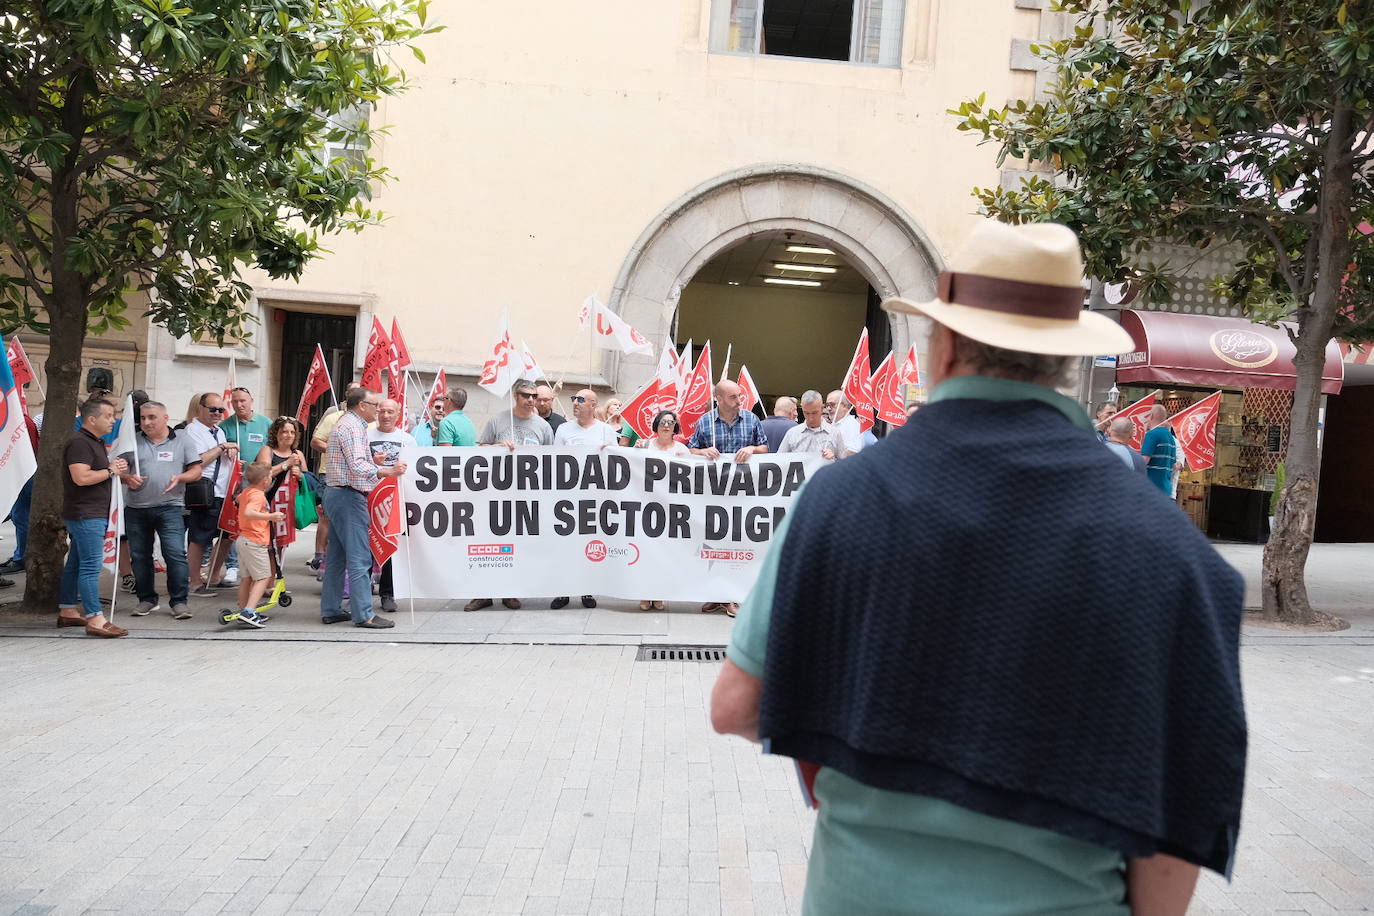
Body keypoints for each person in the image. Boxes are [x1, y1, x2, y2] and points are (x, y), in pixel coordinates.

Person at [710, 219, 1247, 915]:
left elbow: (735, 706)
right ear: (1067, 361)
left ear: (945, 348)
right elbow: (1181, 808)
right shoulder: (1173, 555)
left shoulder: (836, 502)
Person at [320, 387, 407, 629]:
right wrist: (385, 470)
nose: (377, 409)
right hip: (348, 496)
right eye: (374, 405)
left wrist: (372, 461)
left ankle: (331, 609)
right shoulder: (352, 427)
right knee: (359, 558)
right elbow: (356, 465)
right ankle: (364, 614)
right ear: (361, 406)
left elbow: (351, 461)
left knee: (337, 558)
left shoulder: (349, 425)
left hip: (338, 494)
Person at [465, 381, 550, 611]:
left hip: (526, 494)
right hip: (495, 492)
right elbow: (480, 448)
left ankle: (511, 591)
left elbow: (552, 461)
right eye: (526, 395)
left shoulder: (543, 427)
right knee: (489, 543)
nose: (531, 400)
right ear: (515, 396)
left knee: (517, 545)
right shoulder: (497, 420)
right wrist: (498, 446)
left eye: (534, 395)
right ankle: (483, 594)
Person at [688, 379, 767, 618]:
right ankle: (716, 595)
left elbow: (765, 448)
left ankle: (732, 597)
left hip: (743, 496)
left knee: (736, 545)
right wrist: (703, 452)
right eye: (733, 397)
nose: (739, 401)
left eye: (740, 396)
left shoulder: (752, 420)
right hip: (714, 495)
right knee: (714, 545)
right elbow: (691, 449)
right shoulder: (705, 422)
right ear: (719, 399)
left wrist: (752, 449)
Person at [117, 400, 202, 620]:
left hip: (170, 507)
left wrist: (181, 477)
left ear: (165, 418)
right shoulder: (131, 442)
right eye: (143, 418)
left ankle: (179, 602)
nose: (146, 422)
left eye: (152, 417)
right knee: (140, 556)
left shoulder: (183, 440)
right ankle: (146, 599)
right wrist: (126, 477)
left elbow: (196, 470)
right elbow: (116, 470)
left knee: (174, 554)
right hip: (136, 508)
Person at [56, 397, 130, 637]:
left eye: (114, 415)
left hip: (88, 512)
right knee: (90, 566)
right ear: (91, 419)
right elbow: (81, 478)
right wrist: (110, 471)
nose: (113, 420)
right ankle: (95, 618)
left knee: (77, 563)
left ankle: (68, 610)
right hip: (86, 513)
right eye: (108, 416)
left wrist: (113, 471)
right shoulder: (80, 443)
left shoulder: (92, 442)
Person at [550, 389, 617, 611]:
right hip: (567, 499)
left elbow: (617, 464)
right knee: (565, 546)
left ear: (593, 405)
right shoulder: (563, 429)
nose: (575, 403)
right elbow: (554, 462)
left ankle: (587, 589)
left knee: (588, 545)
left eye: (580, 400)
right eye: (573, 399)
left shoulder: (606, 431)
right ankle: (562, 591)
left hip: (594, 499)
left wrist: (610, 453)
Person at [182, 392, 239, 594]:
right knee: (200, 538)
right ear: (200, 408)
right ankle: (195, 581)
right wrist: (222, 447)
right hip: (205, 491)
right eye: (212, 409)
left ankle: (214, 575)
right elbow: (197, 460)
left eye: (220, 410)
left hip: (224, 492)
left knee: (226, 535)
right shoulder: (192, 430)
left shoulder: (218, 431)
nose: (217, 413)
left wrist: (230, 453)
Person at [636, 408, 688, 611]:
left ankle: (659, 593)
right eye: (663, 422)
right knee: (647, 551)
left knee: (664, 553)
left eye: (670, 422)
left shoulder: (683, 451)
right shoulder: (645, 446)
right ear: (656, 425)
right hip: (646, 506)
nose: (666, 425)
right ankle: (644, 592)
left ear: (675, 427)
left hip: (671, 509)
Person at [369, 398, 416, 613]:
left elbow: (415, 471)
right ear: (376, 411)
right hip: (368, 498)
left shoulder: (407, 440)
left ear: (398, 415)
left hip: (394, 501)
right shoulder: (365, 435)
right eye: (382, 411)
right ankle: (361, 593)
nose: (386, 415)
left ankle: (388, 593)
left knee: (390, 549)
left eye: (390, 412)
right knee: (365, 548)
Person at [228, 463, 285, 629]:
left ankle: (243, 608)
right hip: (254, 541)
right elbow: (249, 512)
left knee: (247, 578)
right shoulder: (258, 495)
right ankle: (249, 610)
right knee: (263, 577)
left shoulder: (246, 492)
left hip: (244, 539)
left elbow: (239, 502)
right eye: (270, 477)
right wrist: (270, 516)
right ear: (265, 480)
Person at [0, 412, 39, 579]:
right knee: (20, 515)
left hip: (23, 473)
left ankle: (22, 556)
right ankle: (21, 555)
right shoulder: (19, 419)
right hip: (20, 472)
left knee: (21, 515)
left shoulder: (19, 421)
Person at [253, 416, 307, 507]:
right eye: (284, 432)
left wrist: (300, 475)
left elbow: (308, 479)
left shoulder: (298, 454)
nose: (289, 435)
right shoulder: (267, 450)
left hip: (292, 506)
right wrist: (287, 464)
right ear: (276, 434)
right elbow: (262, 475)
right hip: (268, 503)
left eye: (292, 432)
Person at [776, 390, 838, 461]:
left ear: (822, 408)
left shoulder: (834, 433)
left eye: (814, 413)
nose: (811, 418)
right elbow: (780, 460)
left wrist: (834, 458)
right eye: (806, 413)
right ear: (802, 408)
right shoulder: (792, 433)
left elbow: (845, 463)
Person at [220, 386, 272, 463]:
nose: (238, 405)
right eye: (235, 401)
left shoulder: (267, 423)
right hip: (233, 472)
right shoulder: (224, 426)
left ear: (251, 401)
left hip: (259, 473)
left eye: (242, 401)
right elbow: (218, 452)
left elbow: (276, 449)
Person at [1141, 404, 1179, 496]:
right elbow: (1173, 465)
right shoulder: (1171, 438)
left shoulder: (1152, 434)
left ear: (1151, 416)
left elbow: (1142, 462)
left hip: (1150, 489)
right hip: (1165, 490)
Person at [825, 390, 863, 458]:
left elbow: (853, 453)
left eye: (832, 405)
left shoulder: (851, 425)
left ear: (845, 406)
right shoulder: (834, 425)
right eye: (827, 405)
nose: (828, 408)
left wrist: (833, 454)